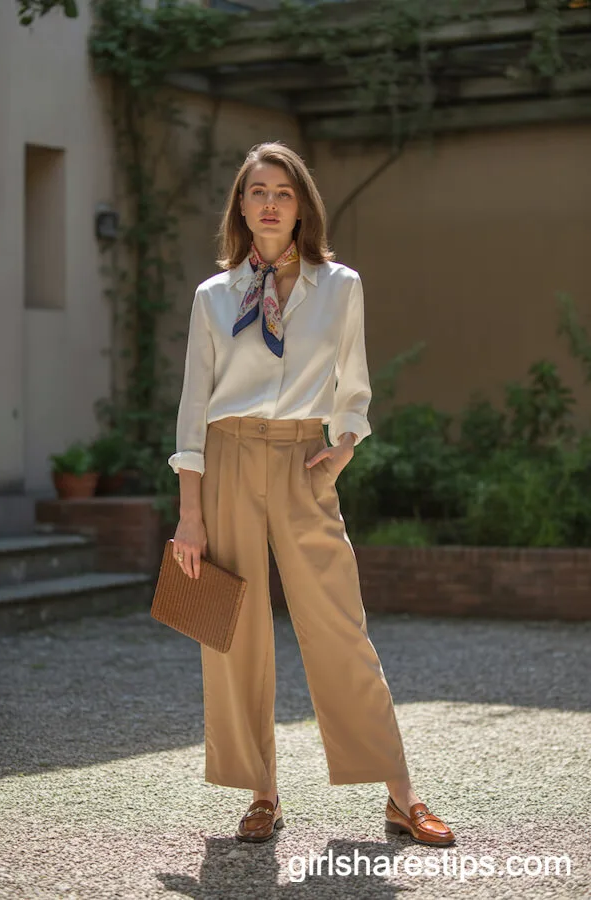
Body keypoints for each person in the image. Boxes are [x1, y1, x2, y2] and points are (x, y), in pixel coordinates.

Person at [167, 141, 455, 847]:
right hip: (228, 455)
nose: (269, 203)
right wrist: (190, 516)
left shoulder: (341, 286)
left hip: (302, 460)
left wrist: (342, 451)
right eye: (257, 191)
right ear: (240, 204)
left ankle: (400, 794)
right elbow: (192, 408)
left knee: (339, 626)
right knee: (231, 630)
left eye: (284, 193)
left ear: (302, 207)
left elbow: (353, 383)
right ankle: (261, 794)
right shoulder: (214, 296)